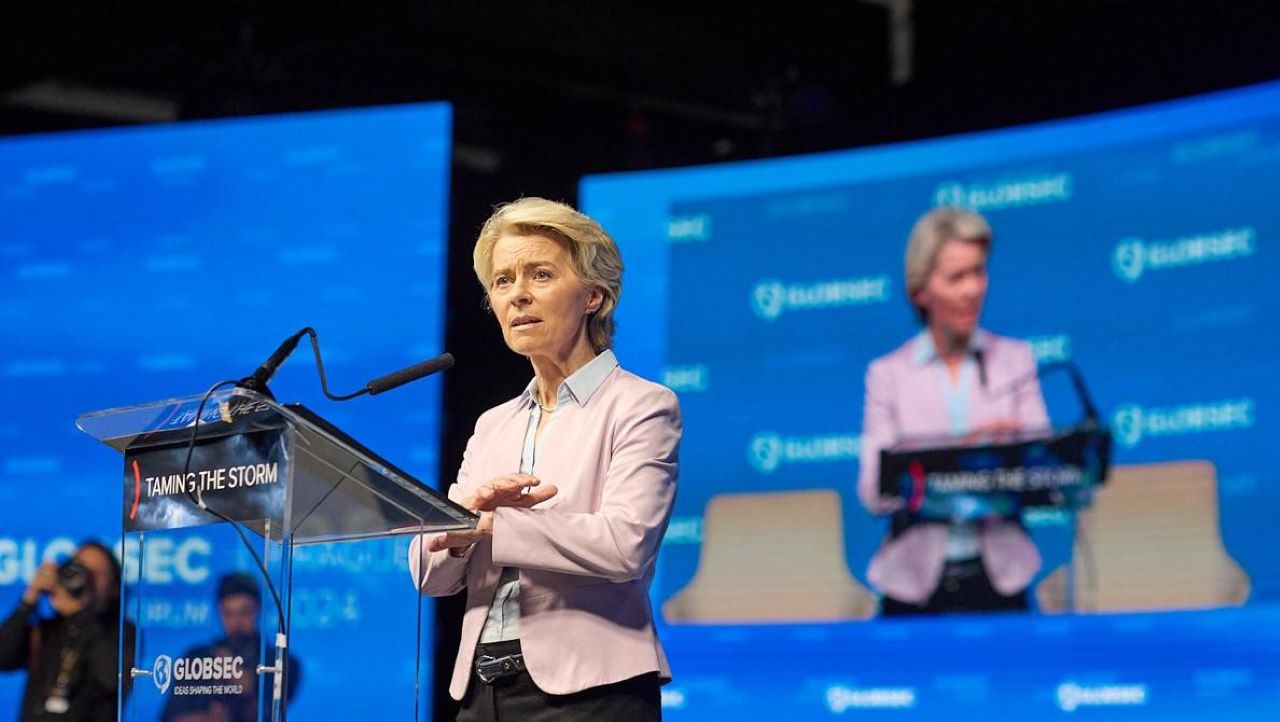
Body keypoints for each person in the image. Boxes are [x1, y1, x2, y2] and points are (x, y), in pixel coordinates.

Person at [409, 197, 681, 720]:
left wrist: (493, 526)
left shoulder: (642, 405)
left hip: (591, 692)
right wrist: (463, 525)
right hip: (481, 692)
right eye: (503, 281)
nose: (518, 296)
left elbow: (626, 545)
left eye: (540, 274)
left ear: (594, 297)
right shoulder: (493, 424)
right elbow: (430, 576)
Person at [857, 207, 1049, 616]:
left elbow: (1047, 472)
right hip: (912, 586)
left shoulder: (1015, 360)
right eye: (956, 278)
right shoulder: (888, 374)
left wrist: (1010, 451)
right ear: (920, 291)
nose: (972, 290)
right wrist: (966, 450)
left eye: (979, 272)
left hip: (1002, 579)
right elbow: (874, 491)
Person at [0, 541, 131, 722]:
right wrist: (29, 600)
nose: (87, 579)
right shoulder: (49, 628)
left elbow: (113, 678)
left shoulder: (122, 631)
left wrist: (79, 613)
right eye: (80, 568)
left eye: (96, 574)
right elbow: (3, 657)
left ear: (114, 587)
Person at [163, 572, 301, 722]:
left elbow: (272, 712)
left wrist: (240, 680)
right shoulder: (196, 658)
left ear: (257, 609)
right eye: (228, 613)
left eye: (244, 612)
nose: (237, 622)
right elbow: (170, 716)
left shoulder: (278, 661)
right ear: (220, 613)